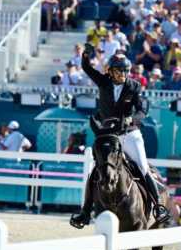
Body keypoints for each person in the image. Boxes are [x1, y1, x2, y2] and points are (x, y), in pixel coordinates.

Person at [71, 44, 170, 227]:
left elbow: (142, 109)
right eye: (119, 71)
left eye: (125, 71)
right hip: (109, 135)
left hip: (129, 134)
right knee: (96, 170)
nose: (123, 75)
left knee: (142, 167)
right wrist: (86, 55)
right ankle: (85, 212)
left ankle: (158, 207)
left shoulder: (134, 86)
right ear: (111, 71)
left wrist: (133, 118)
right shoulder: (103, 82)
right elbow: (86, 68)